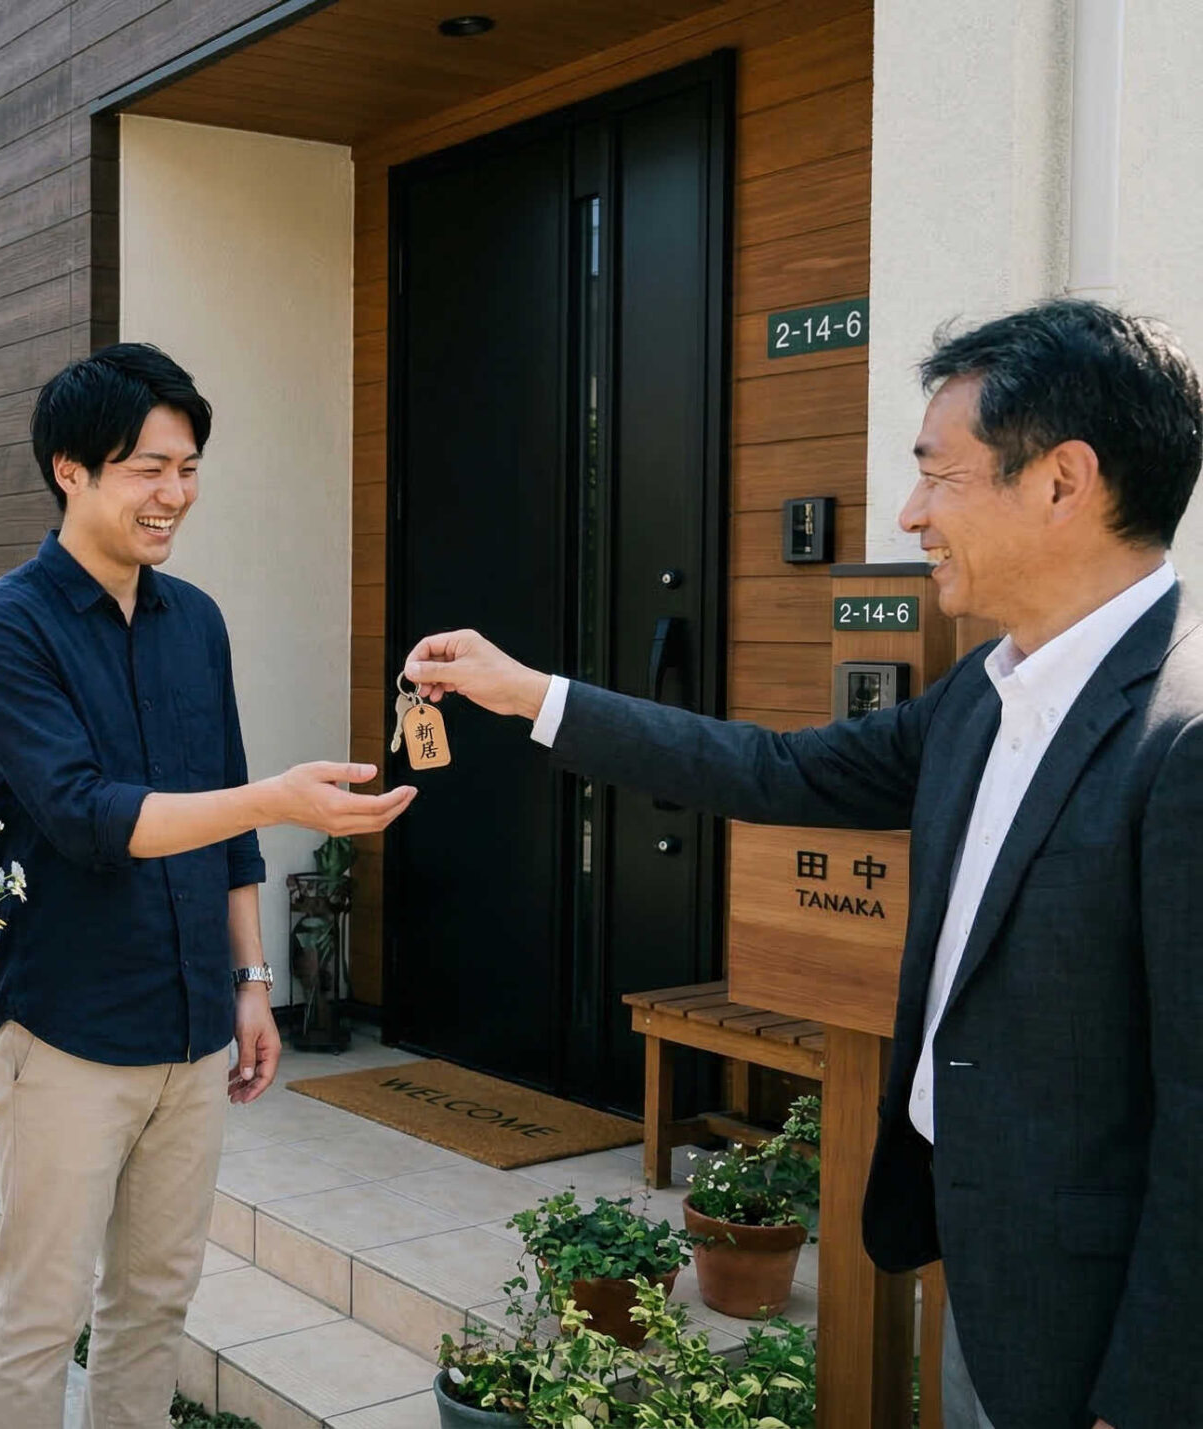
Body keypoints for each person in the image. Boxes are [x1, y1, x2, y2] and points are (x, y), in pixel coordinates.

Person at [404, 298, 1200, 1429]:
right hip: (978, 1265)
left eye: (939, 475)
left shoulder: (1183, 737)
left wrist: (1150, 1394)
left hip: (1101, 1322)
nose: (911, 512)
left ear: (1061, 481)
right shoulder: (984, 695)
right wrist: (532, 695)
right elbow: (776, 771)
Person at [0, 343, 418, 1427]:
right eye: (147, 469)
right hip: (69, 1029)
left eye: (189, 468)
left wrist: (250, 979)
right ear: (70, 469)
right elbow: (88, 818)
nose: (174, 495)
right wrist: (276, 798)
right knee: (38, 1312)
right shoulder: (6, 625)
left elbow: (221, 818)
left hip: (194, 1026)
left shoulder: (195, 619)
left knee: (156, 1301)